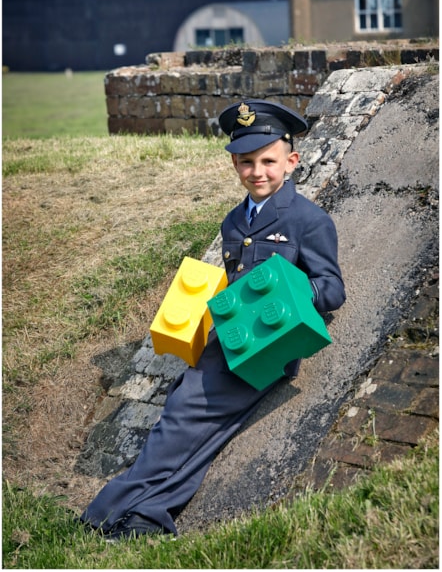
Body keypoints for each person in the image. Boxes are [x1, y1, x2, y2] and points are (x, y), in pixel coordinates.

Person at [79, 99, 346, 541]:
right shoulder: (234, 221)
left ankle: (103, 513)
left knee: (182, 416)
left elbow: (332, 288)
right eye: (246, 163)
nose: (257, 172)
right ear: (235, 165)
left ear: (292, 161)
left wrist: (287, 297)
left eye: (268, 161)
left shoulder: (308, 220)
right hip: (233, 340)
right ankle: (147, 518)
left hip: (267, 346)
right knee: (198, 427)